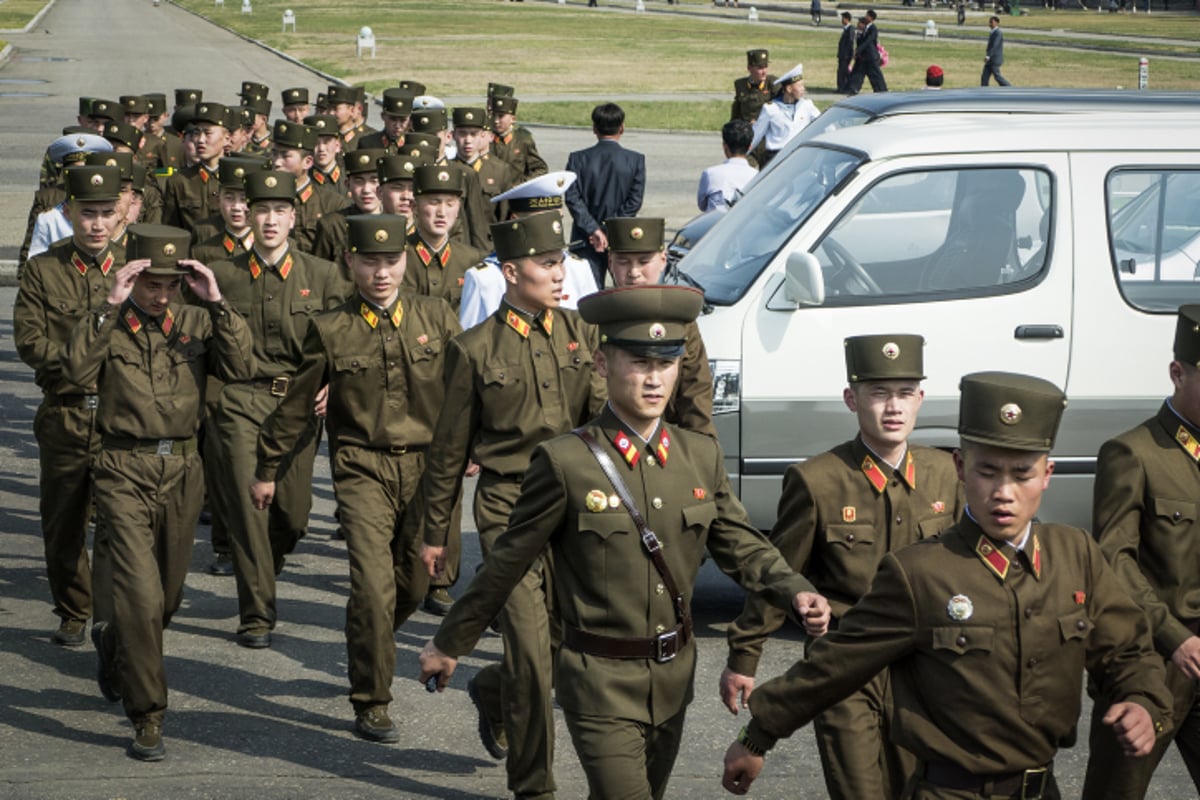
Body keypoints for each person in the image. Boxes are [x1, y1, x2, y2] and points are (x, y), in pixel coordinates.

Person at [419, 284, 830, 800]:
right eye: (638, 362)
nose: (655, 378)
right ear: (602, 363)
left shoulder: (698, 454)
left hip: (674, 677)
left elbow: (740, 543)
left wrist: (793, 589)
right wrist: (450, 641)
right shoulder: (565, 461)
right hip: (598, 682)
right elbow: (508, 561)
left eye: (667, 362)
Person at [721, 371, 1175, 799]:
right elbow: (835, 665)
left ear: (1047, 475)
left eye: (1022, 474)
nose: (1004, 491)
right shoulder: (920, 573)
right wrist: (756, 735)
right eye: (987, 471)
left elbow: (1128, 653)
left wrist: (1143, 701)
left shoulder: (1076, 555)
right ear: (960, 467)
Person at [720, 334, 962, 800]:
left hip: (929, 670)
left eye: (906, 393)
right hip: (847, 670)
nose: (894, 407)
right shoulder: (817, 481)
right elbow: (779, 573)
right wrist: (743, 658)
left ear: (921, 399)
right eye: (879, 393)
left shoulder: (946, 474)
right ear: (852, 399)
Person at [416, 211, 606, 800]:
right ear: (510, 271)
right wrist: (435, 533)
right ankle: (534, 788)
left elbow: (604, 416)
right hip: (506, 507)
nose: (560, 273)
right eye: (547, 264)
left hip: (575, 508)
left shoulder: (582, 332)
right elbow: (449, 449)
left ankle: (491, 692)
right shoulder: (473, 350)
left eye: (562, 262)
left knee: (556, 645)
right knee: (529, 650)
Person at [251, 214, 460, 744]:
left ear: (405, 260)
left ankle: (371, 640)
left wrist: (474, 446)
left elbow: (468, 393)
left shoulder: (438, 317)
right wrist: (267, 468)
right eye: (370, 261)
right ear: (350, 263)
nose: (382, 272)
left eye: (391, 261)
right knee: (372, 585)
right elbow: (297, 406)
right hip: (361, 466)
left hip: (428, 469)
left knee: (416, 582)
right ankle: (372, 699)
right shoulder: (329, 327)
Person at [66, 224, 253, 761]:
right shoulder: (107, 323)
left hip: (184, 468)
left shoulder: (196, 320)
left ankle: (118, 642)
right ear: (132, 277)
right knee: (142, 597)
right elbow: (75, 372)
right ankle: (148, 714)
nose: (161, 293)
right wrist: (109, 304)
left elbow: (241, 368)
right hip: (123, 465)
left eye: (171, 283)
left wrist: (217, 303)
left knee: (165, 600)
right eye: (151, 282)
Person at [205, 170, 352, 649]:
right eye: (261, 210)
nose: (269, 221)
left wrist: (335, 382)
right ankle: (257, 613)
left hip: (300, 405)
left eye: (279, 212)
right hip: (241, 401)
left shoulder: (324, 275)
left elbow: (345, 339)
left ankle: (268, 564)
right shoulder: (221, 274)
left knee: (292, 514)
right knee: (251, 508)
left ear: (294, 217)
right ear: (247, 213)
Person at [1080, 306, 1200, 799]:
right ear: (1178, 372)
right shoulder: (1133, 453)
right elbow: (1114, 560)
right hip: (1150, 663)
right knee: (1115, 791)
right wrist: (1175, 638)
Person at [14, 164, 125, 646]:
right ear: (71, 212)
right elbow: (29, 341)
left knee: (120, 523)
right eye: (88, 213)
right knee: (63, 521)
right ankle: (73, 609)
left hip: (124, 415)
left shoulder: (136, 268)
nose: (97, 224)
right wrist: (78, 366)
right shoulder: (44, 269)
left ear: (120, 214)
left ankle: (111, 609)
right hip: (65, 411)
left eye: (106, 213)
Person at [604, 217, 715, 438]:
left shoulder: (681, 323)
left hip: (669, 445)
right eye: (623, 262)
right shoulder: (594, 322)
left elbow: (695, 397)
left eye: (644, 261)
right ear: (610, 262)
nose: (634, 273)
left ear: (663, 260)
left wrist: (702, 455)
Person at [457, 171, 598, 330]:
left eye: (558, 218)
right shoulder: (485, 278)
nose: (554, 228)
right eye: (542, 222)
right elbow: (470, 339)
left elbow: (592, 330)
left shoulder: (578, 268)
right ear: (516, 221)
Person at [564, 103, 646, 287]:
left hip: (585, 239)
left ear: (594, 129)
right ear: (622, 128)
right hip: (620, 238)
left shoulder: (577, 159)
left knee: (588, 294)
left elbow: (572, 199)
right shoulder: (635, 160)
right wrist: (609, 230)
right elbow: (634, 201)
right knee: (624, 293)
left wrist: (594, 230)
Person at [402, 165, 485, 312]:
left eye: (450, 204)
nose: (442, 212)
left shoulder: (471, 260)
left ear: (458, 208)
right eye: (434, 202)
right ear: (414, 207)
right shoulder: (398, 256)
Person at [269, 120, 349, 254]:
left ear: (307, 162)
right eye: (274, 154)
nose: (277, 162)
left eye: (285, 156)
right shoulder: (264, 199)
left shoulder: (333, 204)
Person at [162, 102, 229, 232]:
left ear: (226, 138)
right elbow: (171, 231)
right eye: (196, 133)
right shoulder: (179, 182)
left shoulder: (238, 179)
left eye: (208, 133)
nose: (200, 140)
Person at [312, 148, 386, 264]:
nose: (366, 190)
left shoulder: (398, 221)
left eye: (374, 181)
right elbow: (320, 272)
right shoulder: (332, 226)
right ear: (347, 184)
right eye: (359, 181)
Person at [452, 106, 519, 224]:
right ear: (453, 135)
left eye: (473, 134)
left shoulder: (499, 171)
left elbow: (504, 216)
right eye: (462, 134)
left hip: (488, 240)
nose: (468, 140)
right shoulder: (446, 171)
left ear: (482, 135)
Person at [749, 65, 821, 168]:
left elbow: (824, 124)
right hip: (776, 159)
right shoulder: (771, 109)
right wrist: (740, 156)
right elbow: (756, 135)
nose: (803, 89)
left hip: (799, 157)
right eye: (800, 86)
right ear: (789, 88)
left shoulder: (807, 106)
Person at [696, 120, 756, 212]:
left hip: (716, 224)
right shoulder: (757, 176)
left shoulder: (710, 174)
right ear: (750, 147)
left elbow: (702, 205)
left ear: (725, 146)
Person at [490, 96, 548, 182]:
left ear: (513, 119)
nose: (496, 120)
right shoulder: (485, 140)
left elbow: (541, 169)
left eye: (501, 116)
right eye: (493, 115)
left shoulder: (523, 141)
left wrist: (521, 185)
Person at [730, 49, 776, 126]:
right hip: (747, 132)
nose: (764, 71)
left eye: (766, 67)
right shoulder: (741, 85)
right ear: (749, 68)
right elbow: (736, 113)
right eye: (760, 68)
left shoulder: (773, 84)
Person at [849, 14, 888, 95]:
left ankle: (881, 89)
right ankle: (853, 87)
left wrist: (857, 50)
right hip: (863, 57)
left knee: (875, 74)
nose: (858, 25)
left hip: (871, 57)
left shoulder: (872, 29)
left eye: (859, 23)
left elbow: (867, 42)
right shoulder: (861, 32)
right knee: (858, 73)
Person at [982, 16, 1012, 87]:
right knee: (984, 77)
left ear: (997, 23)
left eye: (991, 22)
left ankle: (1008, 87)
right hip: (990, 60)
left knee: (997, 76)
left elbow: (994, 46)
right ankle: (983, 91)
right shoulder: (993, 32)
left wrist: (988, 56)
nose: (990, 24)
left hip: (994, 59)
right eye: (989, 22)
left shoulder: (998, 33)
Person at [837, 13, 855, 93]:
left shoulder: (850, 29)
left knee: (843, 72)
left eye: (843, 18)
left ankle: (844, 87)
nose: (842, 20)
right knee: (841, 71)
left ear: (847, 19)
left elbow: (850, 43)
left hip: (846, 55)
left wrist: (847, 54)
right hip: (842, 55)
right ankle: (841, 87)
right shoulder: (846, 29)